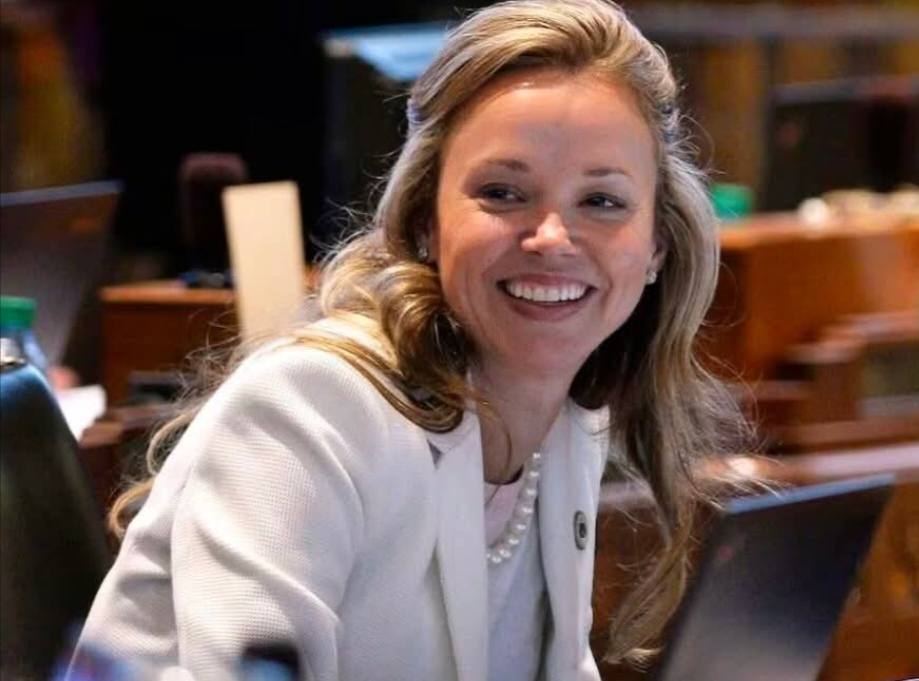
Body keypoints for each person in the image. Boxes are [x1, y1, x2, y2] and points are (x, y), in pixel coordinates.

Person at [71, 0, 749, 678]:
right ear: (425, 219)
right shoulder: (310, 407)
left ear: (657, 244)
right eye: (502, 193)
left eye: (601, 201)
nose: (551, 238)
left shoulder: (572, 419)